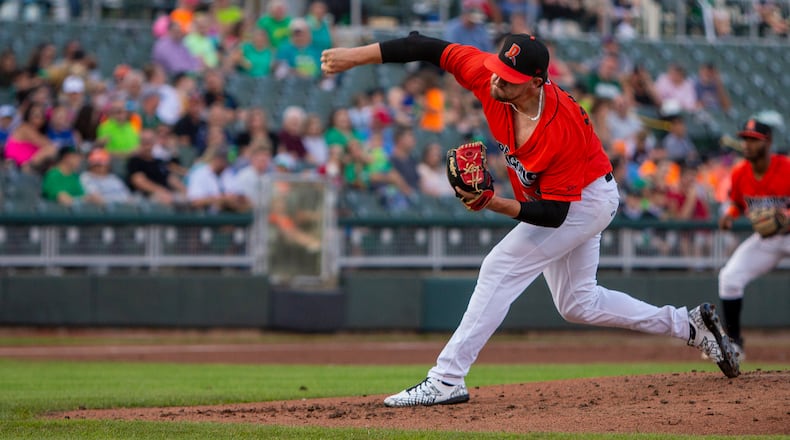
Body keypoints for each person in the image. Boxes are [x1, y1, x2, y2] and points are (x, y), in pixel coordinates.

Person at [320, 32, 741, 407]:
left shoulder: (562, 127)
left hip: (586, 200)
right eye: (498, 69)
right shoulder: (491, 78)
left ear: (538, 82)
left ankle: (446, 379)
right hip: (561, 200)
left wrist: (492, 202)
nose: (497, 80)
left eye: (510, 77)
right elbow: (423, 45)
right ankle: (686, 324)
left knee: (499, 266)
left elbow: (555, 214)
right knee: (578, 303)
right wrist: (355, 57)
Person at [716, 119, 790, 359]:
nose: (746, 144)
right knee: (729, 278)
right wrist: (729, 215)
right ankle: (734, 344)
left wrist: (786, 215)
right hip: (767, 239)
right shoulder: (740, 173)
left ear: (767, 142)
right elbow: (738, 203)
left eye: (753, 140)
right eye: (744, 139)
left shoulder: (786, 167)